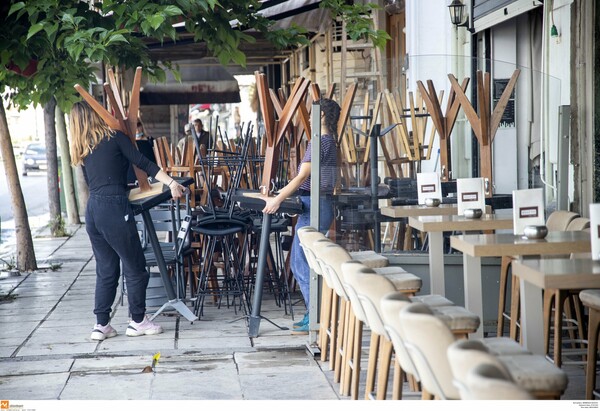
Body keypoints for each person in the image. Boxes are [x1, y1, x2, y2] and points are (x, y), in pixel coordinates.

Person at [69, 101, 186, 341]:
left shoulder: (82, 147)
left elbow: (98, 181)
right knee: (135, 267)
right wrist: (172, 183)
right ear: (96, 114)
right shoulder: (114, 137)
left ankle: (101, 325)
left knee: (106, 269)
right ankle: (138, 321)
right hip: (113, 207)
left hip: (93, 211)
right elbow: (144, 163)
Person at [262, 98, 340, 334]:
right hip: (318, 203)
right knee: (306, 262)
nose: (308, 119)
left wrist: (277, 199)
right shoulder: (328, 142)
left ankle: (315, 314)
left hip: (314, 204)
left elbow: (301, 178)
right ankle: (315, 313)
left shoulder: (320, 142)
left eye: (313, 114)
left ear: (322, 116)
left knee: (300, 262)